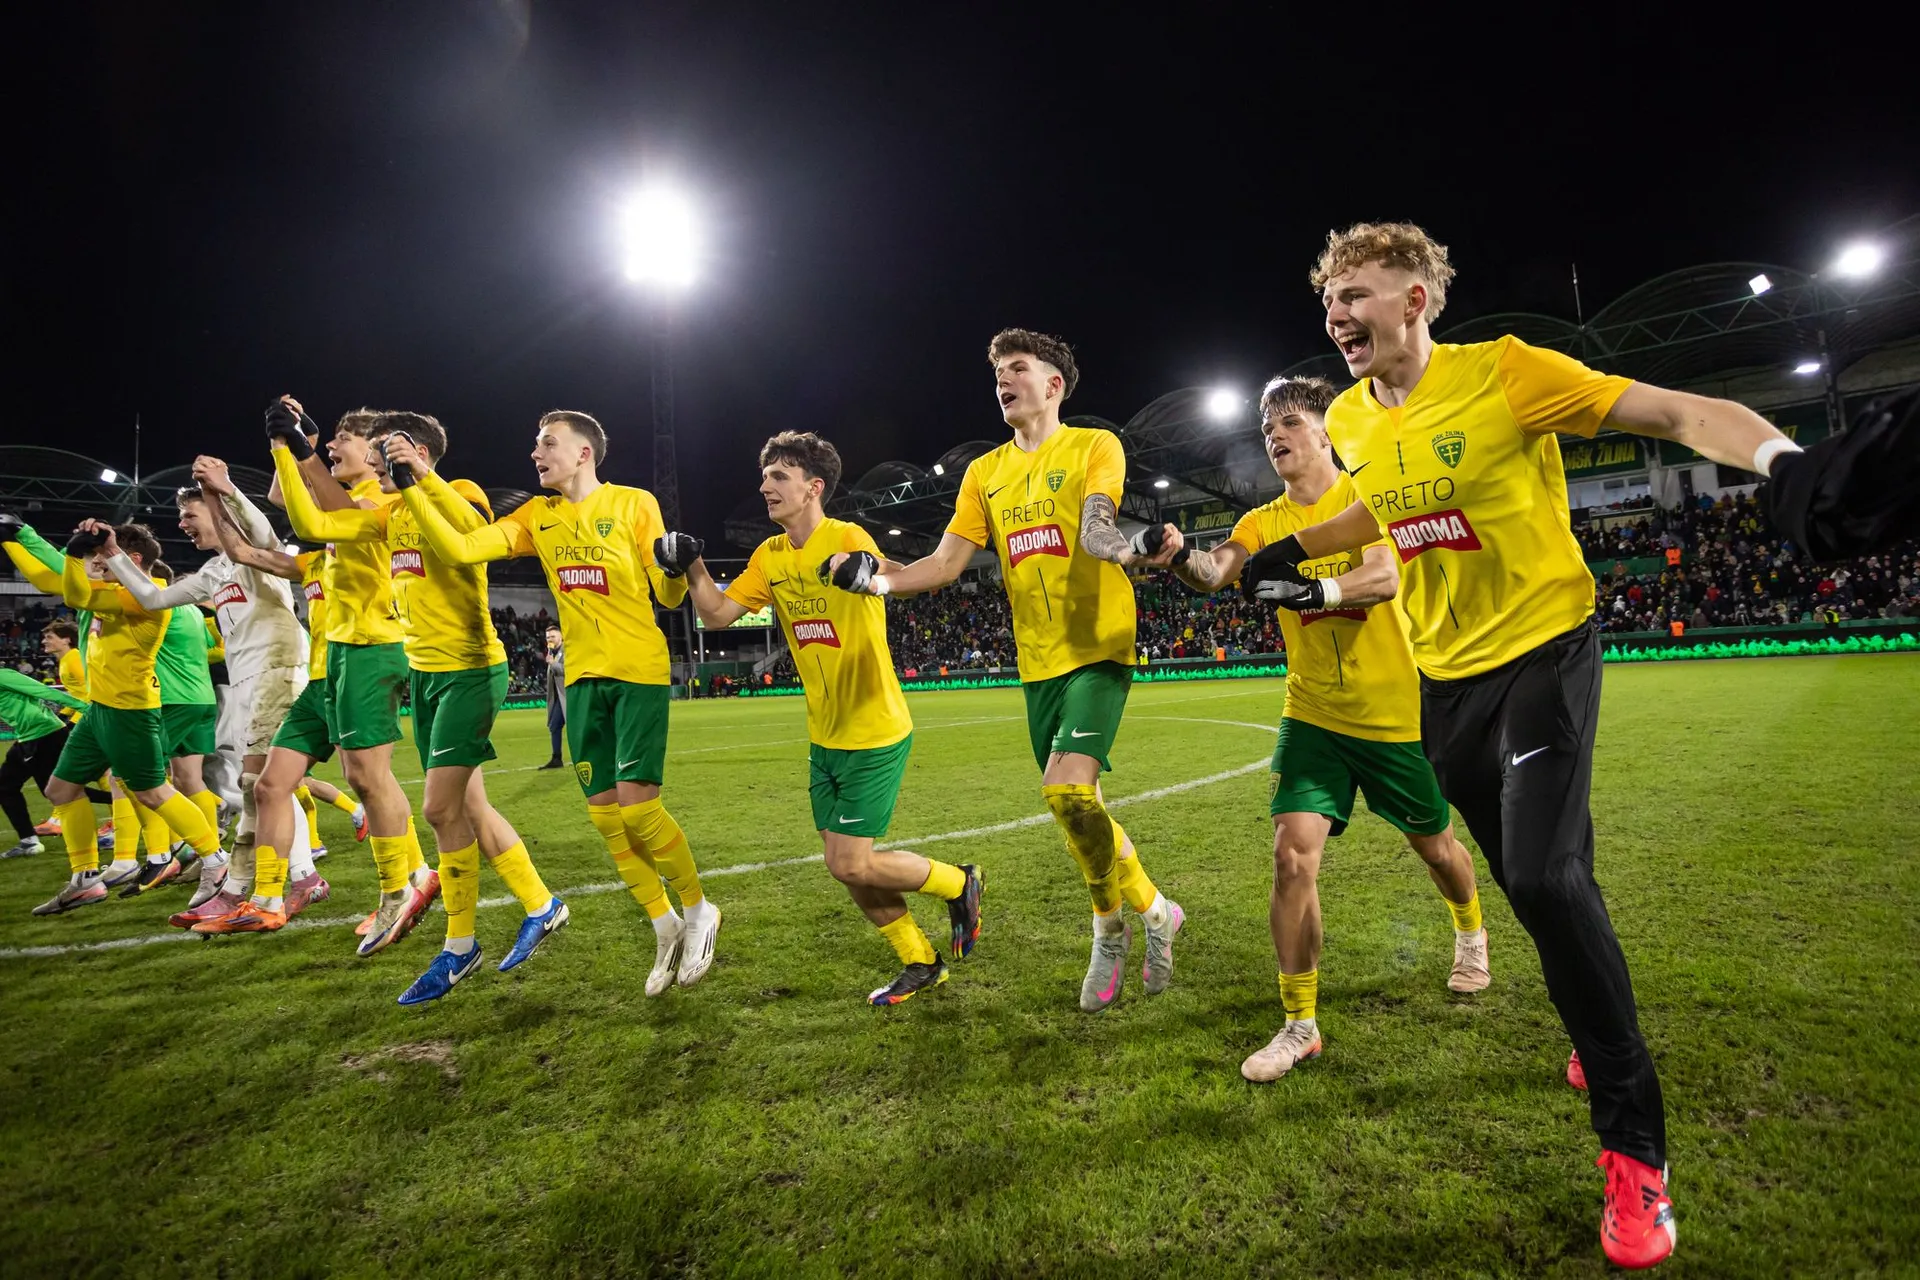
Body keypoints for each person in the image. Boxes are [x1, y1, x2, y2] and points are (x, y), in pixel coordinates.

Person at [1261, 221, 1801, 1268]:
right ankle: (1595, 1016)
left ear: (1417, 298)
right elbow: (1371, 509)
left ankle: (1635, 1152)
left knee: (1549, 878)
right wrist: (1261, 554)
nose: (1337, 314)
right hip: (1446, 685)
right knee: (1536, 880)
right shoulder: (1350, 417)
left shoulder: (1507, 372)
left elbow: (1677, 411)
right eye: (1329, 299)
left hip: (1547, 650)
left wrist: (1783, 460)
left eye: (1357, 293)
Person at [825, 329, 1184, 1012]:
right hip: (1036, 661)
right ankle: (1159, 911)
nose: (1004, 380)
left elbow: (1096, 526)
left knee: (1068, 793)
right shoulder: (983, 473)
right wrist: (875, 581)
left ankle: (1109, 931)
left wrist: (1128, 547)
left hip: (1100, 646)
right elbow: (944, 564)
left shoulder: (1093, 447)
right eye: (998, 373)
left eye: (1018, 368)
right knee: (1080, 808)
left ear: (1054, 384)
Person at [1154, 375, 1490, 1082]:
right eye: (1267, 428)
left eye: (1291, 423)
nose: (1275, 436)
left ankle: (1470, 930)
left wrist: (1314, 589)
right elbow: (1217, 571)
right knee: (1291, 858)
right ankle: (1300, 1024)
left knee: (1435, 847)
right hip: (1311, 712)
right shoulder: (1261, 522)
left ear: (1328, 433)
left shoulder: (1372, 495)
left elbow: (1383, 578)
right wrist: (1178, 554)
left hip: (1394, 713)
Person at [393, 409, 720, 996]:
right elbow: (463, 549)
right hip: (582, 679)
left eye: (548, 443)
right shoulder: (535, 516)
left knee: (640, 811)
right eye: (536, 443)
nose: (536, 453)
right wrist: (417, 483)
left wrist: (676, 564)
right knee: (606, 818)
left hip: (637, 671)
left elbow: (668, 595)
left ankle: (698, 911)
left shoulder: (633, 503)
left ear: (583, 453)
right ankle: (664, 925)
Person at [682, 431, 984, 1005]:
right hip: (824, 736)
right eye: (765, 476)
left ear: (813, 487)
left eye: (779, 476)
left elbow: (889, 569)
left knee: (849, 861)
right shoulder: (769, 557)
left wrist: (867, 569)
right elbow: (717, 614)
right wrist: (694, 567)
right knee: (846, 866)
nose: (765, 486)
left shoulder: (844, 536)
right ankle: (920, 961)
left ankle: (958, 882)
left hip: (874, 729)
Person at [101, 463, 327, 929]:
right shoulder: (212, 572)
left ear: (217, 511)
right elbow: (153, 598)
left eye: (190, 514)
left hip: (277, 671)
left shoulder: (256, 551)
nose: (182, 523)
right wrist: (113, 555)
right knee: (265, 787)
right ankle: (296, 879)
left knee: (259, 785)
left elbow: (257, 525)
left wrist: (223, 490)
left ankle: (246, 889)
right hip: (244, 682)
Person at [265, 400, 436, 954]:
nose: (335, 446)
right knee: (361, 776)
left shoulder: (383, 498)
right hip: (341, 649)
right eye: (332, 439)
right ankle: (413, 877)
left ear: (374, 449)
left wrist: (301, 450)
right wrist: (288, 446)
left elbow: (315, 518)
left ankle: (398, 890)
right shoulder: (347, 494)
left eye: (344, 439)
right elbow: (282, 498)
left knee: (367, 775)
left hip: (373, 644)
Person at [1, 521, 222, 915]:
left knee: (153, 792)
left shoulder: (144, 597)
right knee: (60, 790)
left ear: (130, 559)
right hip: (101, 709)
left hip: (130, 711)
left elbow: (72, 589)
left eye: (98, 556)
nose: (94, 563)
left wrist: (69, 552)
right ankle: (86, 878)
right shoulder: (110, 589)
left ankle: (215, 860)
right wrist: (19, 535)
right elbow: (54, 576)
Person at [0, 667, 88, 858]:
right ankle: (28, 842)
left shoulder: (3, 676)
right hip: (27, 738)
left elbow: (44, 691)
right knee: (5, 786)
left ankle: (127, 801)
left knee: (58, 791)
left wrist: (87, 709)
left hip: (46, 735)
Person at [540, 625, 566, 769]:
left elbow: (568, 670)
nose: (550, 639)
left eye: (553, 636)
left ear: (561, 636)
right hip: (557, 699)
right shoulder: (552, 653)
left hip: (569, 697)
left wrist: (553, 663)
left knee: (577, 730)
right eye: (548, 637)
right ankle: (556, 758)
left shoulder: (567, 651)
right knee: (554, 725)